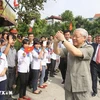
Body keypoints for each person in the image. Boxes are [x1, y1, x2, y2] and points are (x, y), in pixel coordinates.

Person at [53, 28, 94, 100]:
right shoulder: (71, 47)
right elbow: (57, 51)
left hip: (81, 86)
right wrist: (56, 42)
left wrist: (63, 40)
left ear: (84, 38)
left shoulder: (89, 48)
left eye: (76, 36)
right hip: (69, 84)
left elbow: (75, 52)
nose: (73, 38)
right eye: (73, 36)